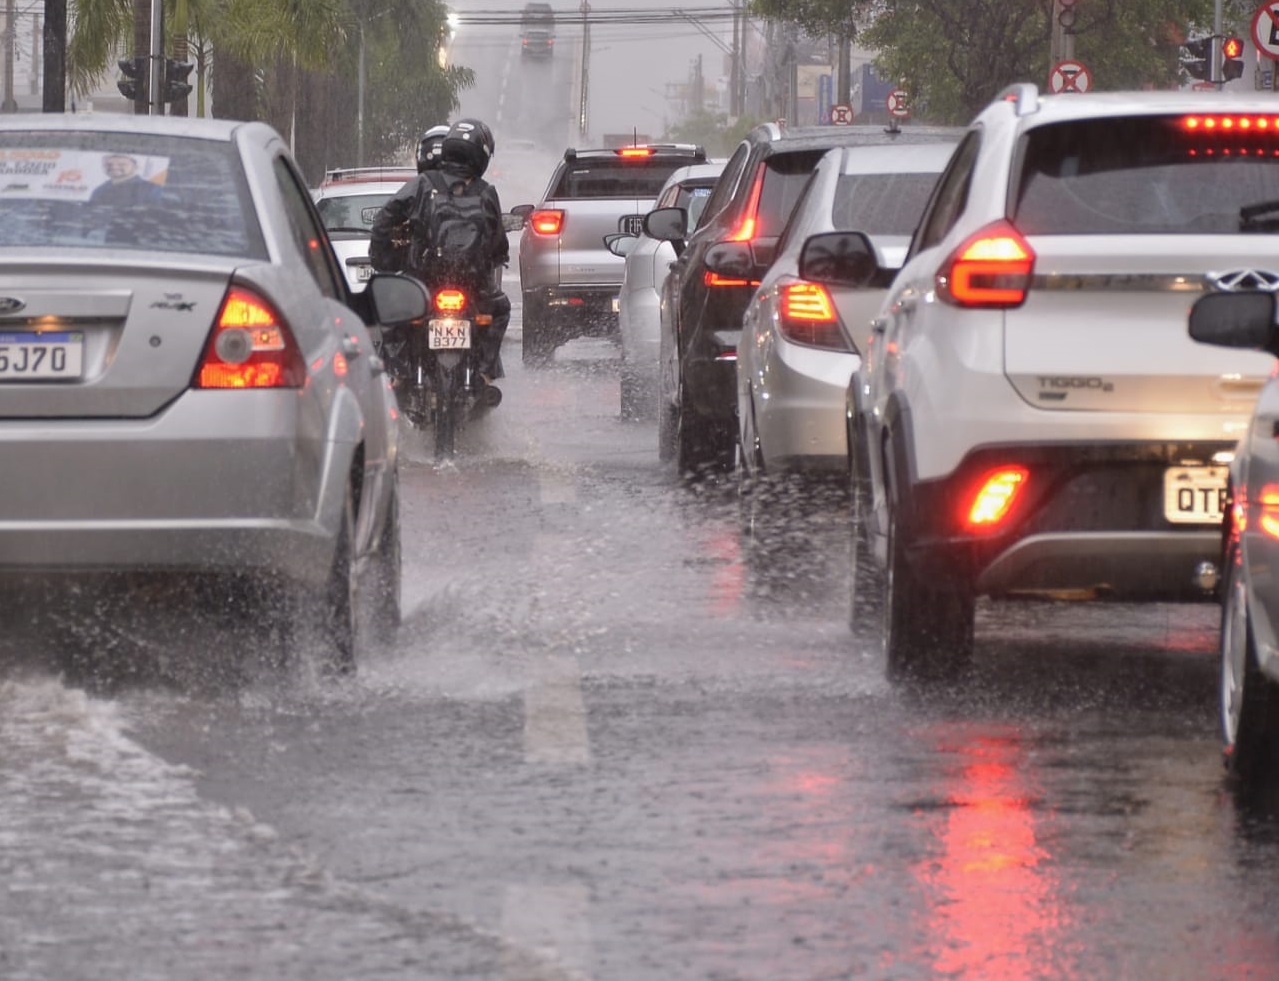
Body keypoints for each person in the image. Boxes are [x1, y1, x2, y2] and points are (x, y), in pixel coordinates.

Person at [370, 118, 510, 385]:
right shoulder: (485, 192)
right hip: (471, 283)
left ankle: (398, 373)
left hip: (425, 281)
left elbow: (385, 217)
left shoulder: (424, 183)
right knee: (500, 308)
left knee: (391, 310)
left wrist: (383, 257)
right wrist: (492, 258)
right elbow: (497, 239)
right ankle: (484, 371)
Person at [90, 154, 163, 206]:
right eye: (109, 164)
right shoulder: (99, 191)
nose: (114, 167)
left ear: (136, 167)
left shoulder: (153, 190)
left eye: (122, 164)